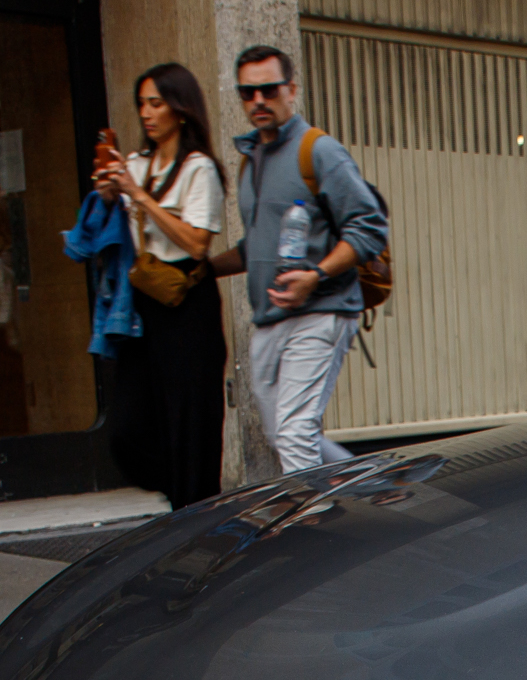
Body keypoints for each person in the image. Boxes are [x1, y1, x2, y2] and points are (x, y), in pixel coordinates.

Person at [209, 44, 388, 475]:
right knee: (284, 434)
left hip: (321, 312)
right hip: (268, 319)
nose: (258, 101)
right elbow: (256, 248)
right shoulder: (250, 161)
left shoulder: (319, 151)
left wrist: (317, 275)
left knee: (294, 434)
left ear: (291, 90)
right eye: (247, 93)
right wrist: (198, 271)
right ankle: (376, 490)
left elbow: (369, 227)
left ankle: (315, 535)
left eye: (268, 90)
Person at [93, 63, 227, 504]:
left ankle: (193, 513)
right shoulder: (136, 164)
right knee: (128, 430)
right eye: (141, 105)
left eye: (156, 103)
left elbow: (197, 242)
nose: (146, 114)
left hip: (187, 306)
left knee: (190, 425)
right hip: (142, 306)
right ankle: (180, 498)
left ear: (181, 110)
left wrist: (141, 197)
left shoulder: (198, 169)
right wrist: (110, 193)